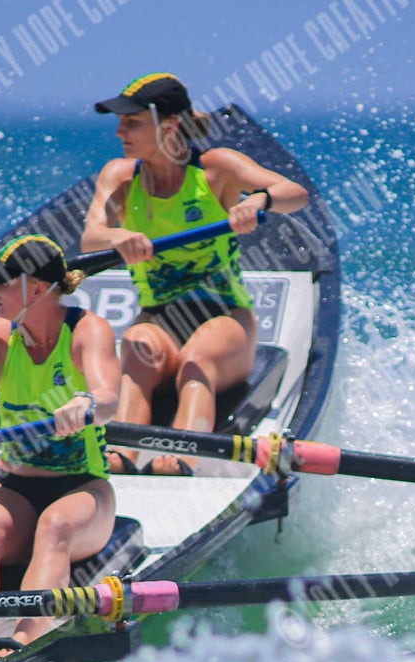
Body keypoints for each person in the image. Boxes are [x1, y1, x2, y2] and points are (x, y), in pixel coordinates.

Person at [80, 73, 306, 469]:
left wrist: (258, 203)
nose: (119, 132)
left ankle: (183, 456)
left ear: (168, 126)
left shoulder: (217, 168)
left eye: (132, 123)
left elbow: (296, 194)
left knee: (197, 359)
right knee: (136, 343)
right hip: (160, 322)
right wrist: (117, 238)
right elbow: (90, 239)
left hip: (226, 321)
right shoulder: (118, 175)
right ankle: (120, 454)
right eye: (120, 122)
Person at [0, 235, 119, 654]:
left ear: (38, 289)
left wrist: (86, 402)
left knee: (56, 524)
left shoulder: (87, 331)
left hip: (84, 490)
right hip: (15, 486)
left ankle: (25, 636)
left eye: (4, 283)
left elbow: (109, 397)